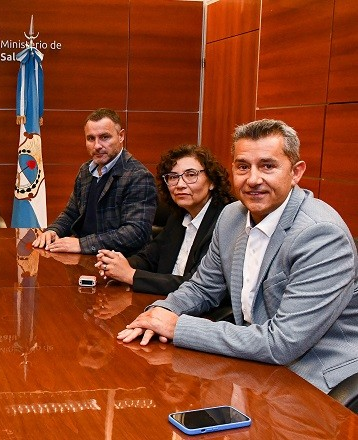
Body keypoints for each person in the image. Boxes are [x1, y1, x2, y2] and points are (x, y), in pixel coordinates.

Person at [118, 119, 358, 393]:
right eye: (243, 167)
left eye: (268, 166)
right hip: (254, 365)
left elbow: (282, 343)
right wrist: (164, 309)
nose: (253, 179)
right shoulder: (232, 216)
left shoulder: (320, 235)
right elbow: (202, 286)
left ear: (296, 172)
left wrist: (178, 327)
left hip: (314, 379)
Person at [96, 145, 234, 294]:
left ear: (212, 181)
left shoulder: (225, 221)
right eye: (173, 177)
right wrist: (116, 264)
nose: (180, 185)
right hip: (164, 302)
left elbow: (197, 284)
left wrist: (131, 275)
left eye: (191, 175)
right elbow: (149, 258)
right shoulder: (179, 215)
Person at [32, 108, 157, 255]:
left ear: (121, 136)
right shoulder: (86, 170)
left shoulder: (139, 176)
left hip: (120, 262)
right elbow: (71, 213)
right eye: (91, 138)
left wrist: (82, 244)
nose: (97, 146)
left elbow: (136, 233)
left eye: (104, 137)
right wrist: (54, 231)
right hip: (84, 257)